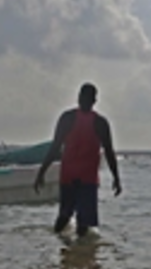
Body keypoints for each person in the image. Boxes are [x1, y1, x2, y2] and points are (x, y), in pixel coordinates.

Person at [34, 82, 122, 237]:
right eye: (83, 97)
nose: (84, 101)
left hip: (81, 178)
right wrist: (42, 172)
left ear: (94, 101)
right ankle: (69, 252)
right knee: (69, 218)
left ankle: (73, 255)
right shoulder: (75, 119)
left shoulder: (93, 122)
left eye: (87, 98)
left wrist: (116, 177)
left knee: (76, 220)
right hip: (76, 177)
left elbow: (109, 151)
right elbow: (55, 147)